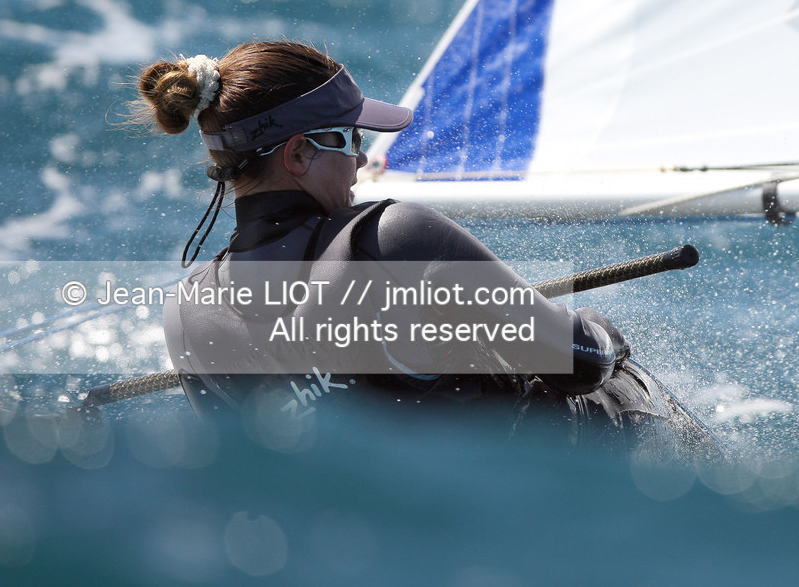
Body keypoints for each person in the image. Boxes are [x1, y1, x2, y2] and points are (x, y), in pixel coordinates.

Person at [134, 40, 705, 447]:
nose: (361, 159)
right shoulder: (392, 239)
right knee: (622, 378)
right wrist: (599, 331)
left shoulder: (184, 316)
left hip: (388, 554)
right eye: (352, 139)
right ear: (299, 154)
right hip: (536, 506)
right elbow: (580, 363)